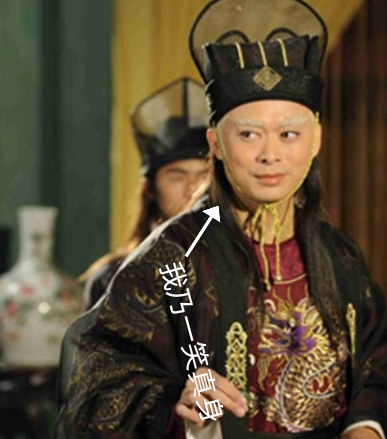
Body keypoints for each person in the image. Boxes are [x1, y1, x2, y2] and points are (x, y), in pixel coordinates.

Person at [55, 0, 387, 438]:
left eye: (289, 134)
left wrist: (365, 425)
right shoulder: (175, 254)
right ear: (215, 143)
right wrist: (174, 405)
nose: (270, 154)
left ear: (316, 140)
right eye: (248, 134)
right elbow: (94, 386)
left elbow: (375, 364)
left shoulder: (340, 256)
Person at [81, 77, 209, 309]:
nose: (193, 187)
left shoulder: (239, 264)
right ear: (149, 188)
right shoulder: (112, 277)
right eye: (177, 176)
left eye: (204, 175)